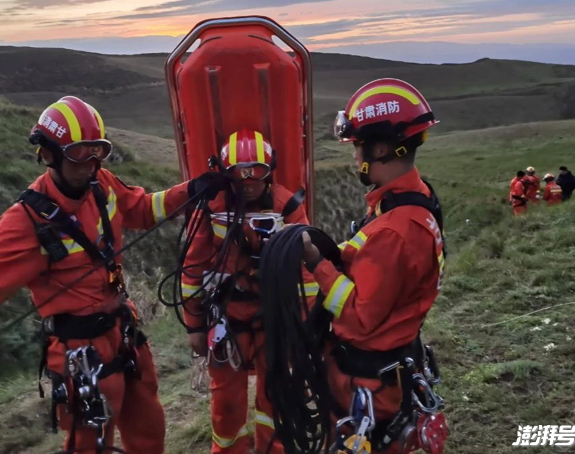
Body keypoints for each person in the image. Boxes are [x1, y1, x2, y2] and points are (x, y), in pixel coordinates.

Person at [0, 96, 226, 454]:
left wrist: (192, 190)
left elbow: (140, 208)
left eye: (97, 151)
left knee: (149, 432)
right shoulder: (25, 223)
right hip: (81, 357)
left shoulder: (101, 185)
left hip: (124, 335)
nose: (90, 164)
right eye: (78, 153)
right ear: (49, 153)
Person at [302, 78, 446, 453]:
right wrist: (334, 253)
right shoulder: (410, 201)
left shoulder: (396, 231)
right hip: (388, 368)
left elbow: (359, 317)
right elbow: (370, 261)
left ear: (381, 149)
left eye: (358, 145)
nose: (354, 155)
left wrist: (317, 264)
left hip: (367, 382)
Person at [180, 130, 310, 454]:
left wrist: (306, 323)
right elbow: (192, 268)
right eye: (240, 174)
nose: (249, 182)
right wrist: (195, 326)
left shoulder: (288, 206)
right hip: (226, 320)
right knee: (225, 407)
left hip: (276, 321)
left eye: (258, 172)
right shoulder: (211, 207)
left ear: (270, 171)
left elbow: (305, 269)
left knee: (276, 401)